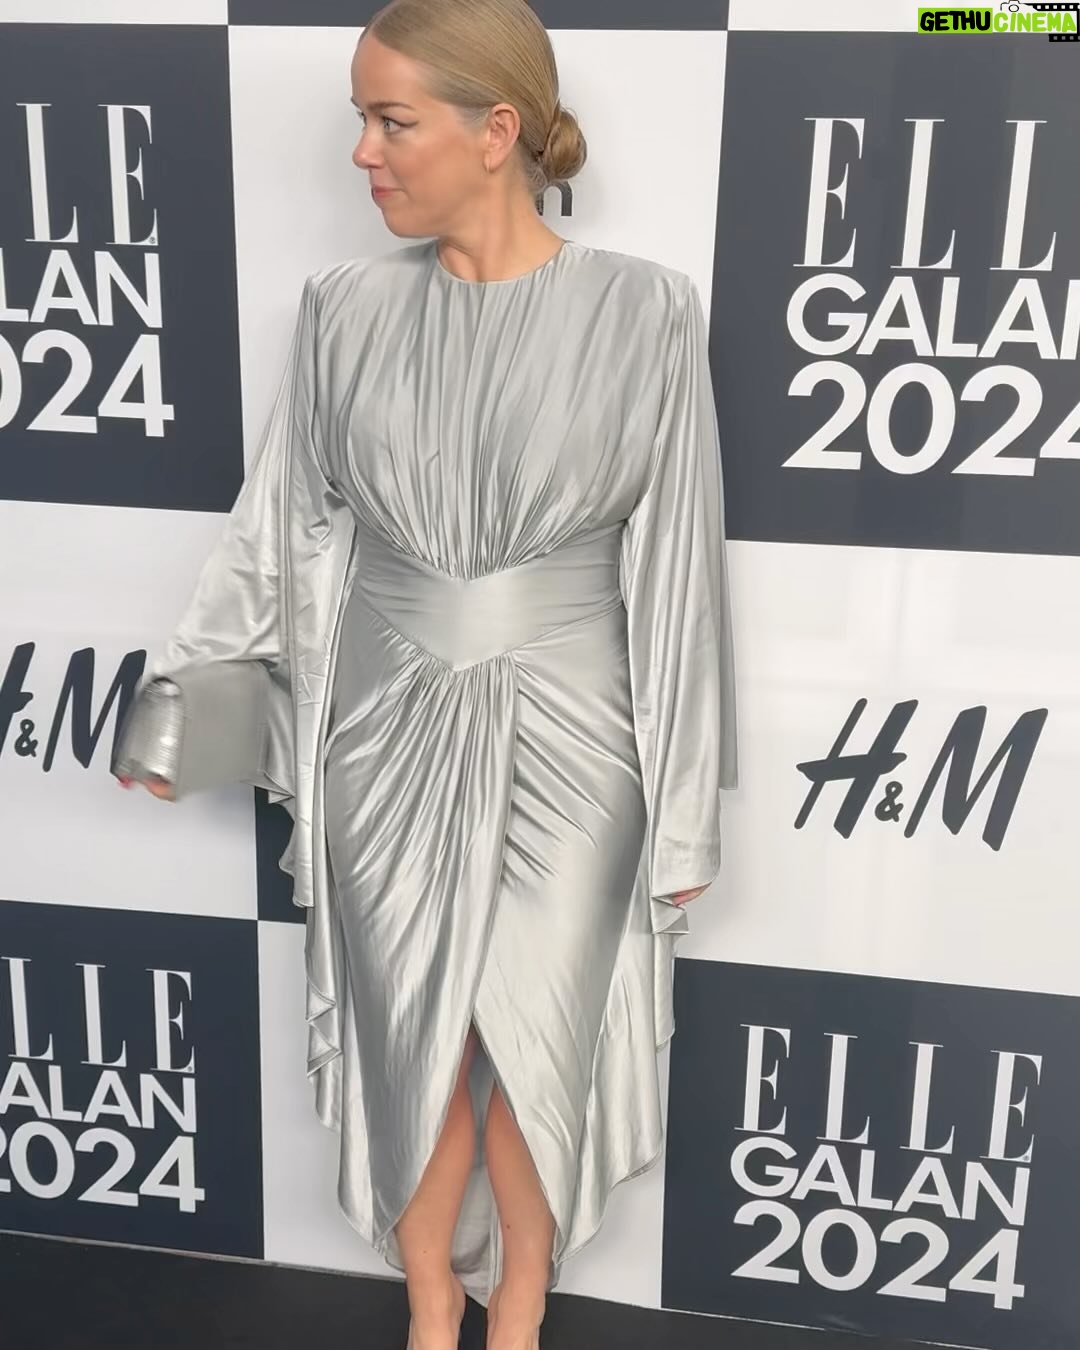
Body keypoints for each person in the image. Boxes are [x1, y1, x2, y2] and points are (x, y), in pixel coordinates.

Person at [112, 1, 737, 1347]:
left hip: (580, 737)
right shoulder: (342, 311)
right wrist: (183, 710)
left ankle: (520, 1303)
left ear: (496, 130)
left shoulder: (644, 312)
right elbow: (278, 528)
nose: (363, 152)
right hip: (383, 728)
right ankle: (430, 1301)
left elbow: (680, 569)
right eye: (362, 119)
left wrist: (685, 805)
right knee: (414, 1036)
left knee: (539, 1034)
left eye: (391, 121)